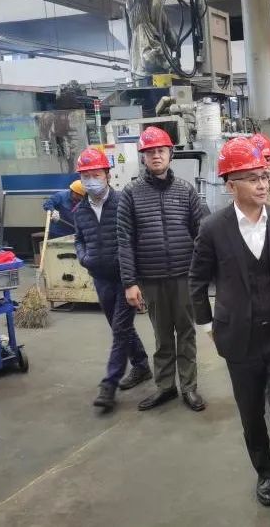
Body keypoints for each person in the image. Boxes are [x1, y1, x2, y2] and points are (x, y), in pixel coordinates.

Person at [189, 137, 270, 526]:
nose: (262, 183)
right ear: (231, 185)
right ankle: (264, 473)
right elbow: (197, 281)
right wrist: (207, 325)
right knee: (251, 415)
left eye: (264, 176)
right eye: (252, 178)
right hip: (239, 340)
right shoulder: (213, 228)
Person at [117, 126, 206, 412]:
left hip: (183, 277)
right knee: (162, 336)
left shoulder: (186, 190)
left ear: (170, 154)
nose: (156, 156)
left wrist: (202, 273)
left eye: (161, 150)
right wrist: (130, 282)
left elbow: (201, 233)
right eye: (150, 152)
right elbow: (124, 240)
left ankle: (189, 387)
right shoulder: (130, 193)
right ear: (143, 157)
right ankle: (166, 387)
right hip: (151, 279)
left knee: (187, 333)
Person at [74, 148, 151, 412]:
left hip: (125, 278)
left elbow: (137, 238)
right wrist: (84, 257)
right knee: (120, 328)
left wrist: (133, 278)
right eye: (86, 176)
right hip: (100, 278)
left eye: (96, 175)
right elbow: (79, 239)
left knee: (120, 329)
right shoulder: (80, 210)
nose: (91, 181)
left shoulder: (122, 203)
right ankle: (141, 365)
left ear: (107, 175)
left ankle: (109, 384)